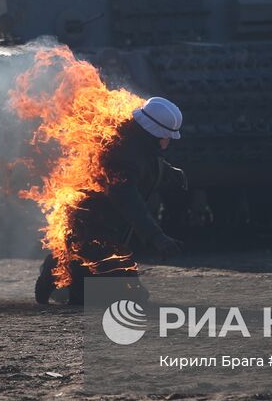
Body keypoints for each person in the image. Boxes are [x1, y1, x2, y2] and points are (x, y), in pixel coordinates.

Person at [34, 96, 187, 305]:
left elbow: (148, 163)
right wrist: (156, 236)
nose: (168, 141)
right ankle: (50, 283)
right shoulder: (122, 155)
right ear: (153, 134)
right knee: (91, 291)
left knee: (126, 292)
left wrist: (168, 172)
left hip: (106, 229)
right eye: (166, 137)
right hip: (93, 228)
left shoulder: (136, 141)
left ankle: (52, 281)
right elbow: (129, 201)